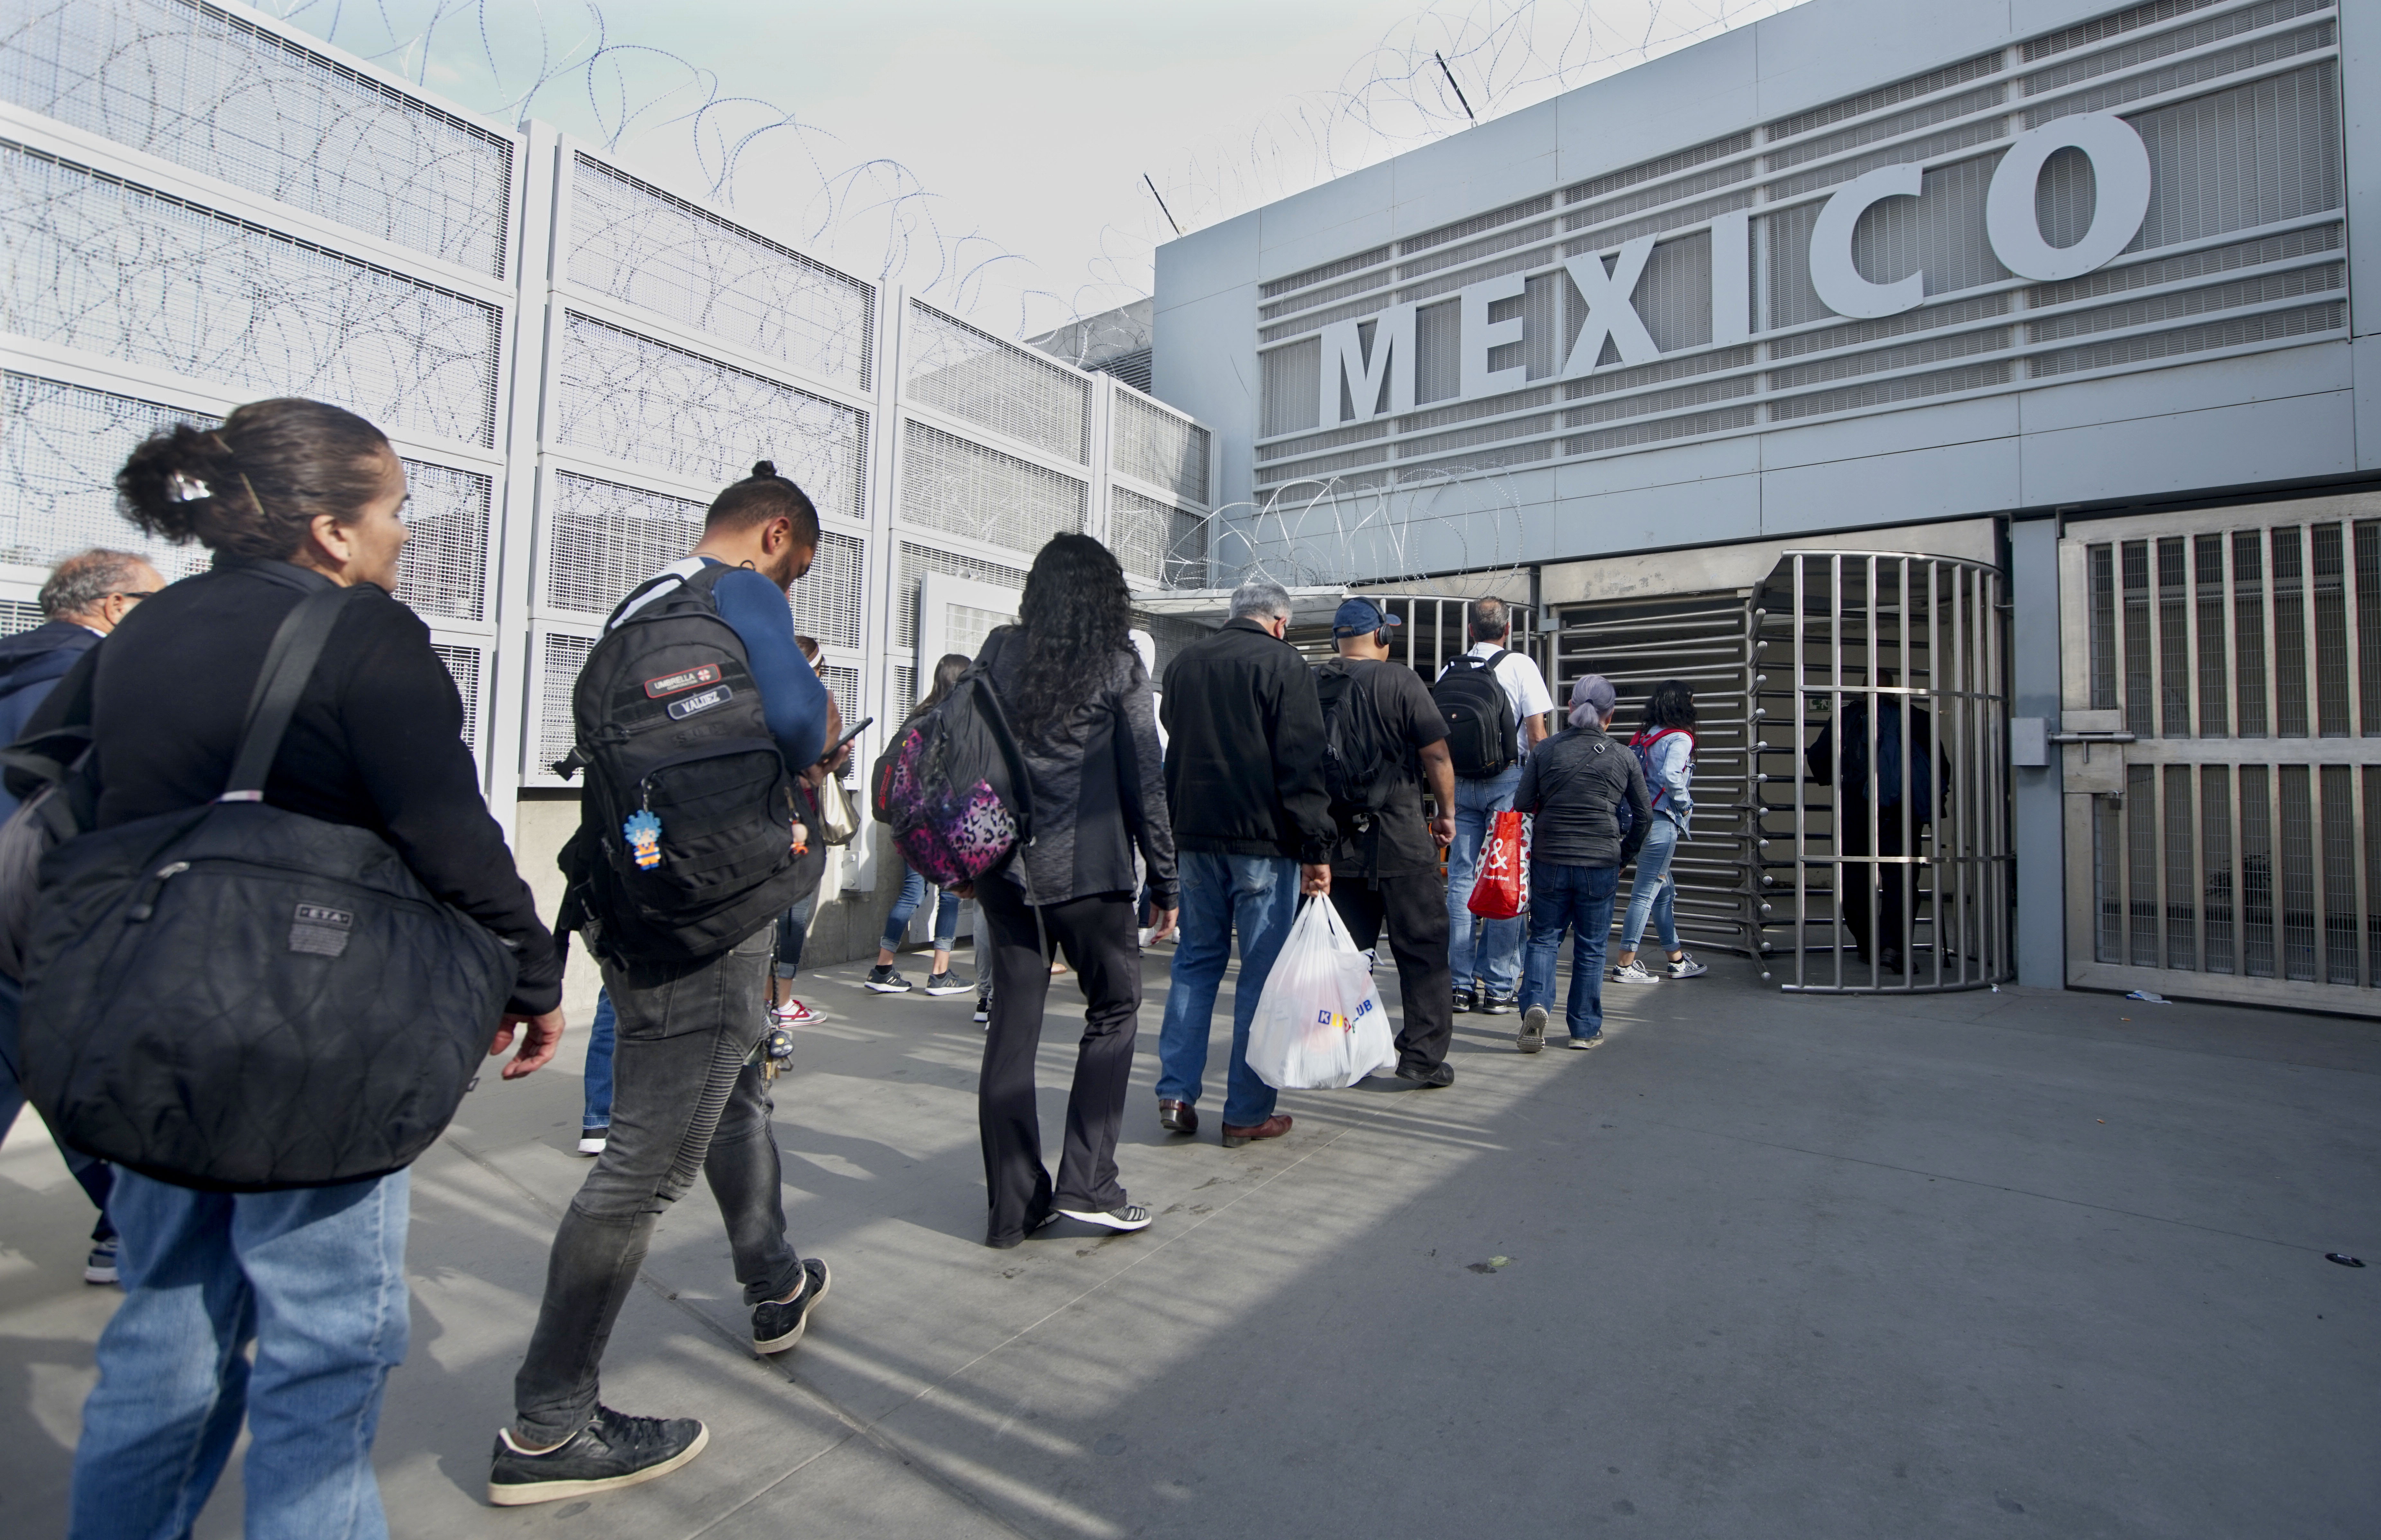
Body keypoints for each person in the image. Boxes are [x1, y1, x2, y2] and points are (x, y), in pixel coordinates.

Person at [66, 399, 565, 1540]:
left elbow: (77, 797)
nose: (402, 534)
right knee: (324, 1344)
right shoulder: (363, 633)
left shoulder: (144, 629)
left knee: (164, 1327)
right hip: (311, 1029)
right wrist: (531, 972)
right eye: (393, 510)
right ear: (332, 531)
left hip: (149, 1014)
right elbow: (448, 830)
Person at [497, 463, 835, 1506]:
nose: (790, 590)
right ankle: (549, 1422)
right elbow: (799, 724)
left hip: (633, 892)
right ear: (774, 535)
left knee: (730, 1087)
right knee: (644, 1163)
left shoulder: (641, 605)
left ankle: (771, 1279)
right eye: (800, 569)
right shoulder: (739, 592)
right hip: (714, 908)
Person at [969, 535, 1176, 1246]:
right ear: (1106, 594)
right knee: (1114, 1010)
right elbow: (1143, 777)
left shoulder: (999, 649)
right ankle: (1088, 1182)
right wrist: (1165, 875)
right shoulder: (1120, 665)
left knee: (1012, 1028)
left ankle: (1011, 1207)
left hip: (1005, 867)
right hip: (1090, 873)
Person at [0, 548, 165, 1285]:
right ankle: (133, 1235)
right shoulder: (85, 682)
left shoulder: (15, 667)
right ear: (117, 607)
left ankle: (125, 1230)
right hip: (50, 918)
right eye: (158, 601)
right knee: (93, 1080)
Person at [1154, 578, 1333, 1147]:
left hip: (1196, 838)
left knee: (1194, 963)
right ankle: (1246, 1111)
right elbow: (1301, 760)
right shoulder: (1284, 664)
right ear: (1279, 622)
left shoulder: (1185, 664)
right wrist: (1316, 847)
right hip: (1262, 842)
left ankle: (1176, 1092)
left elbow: (1172, 732)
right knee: (1259, 975)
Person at [1315, 598, 1459, 1088]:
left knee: (1343, 957)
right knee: (1423, 949)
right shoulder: (1401, 681)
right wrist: (1446, 814)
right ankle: (1421, 1056)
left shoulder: (1313, 685)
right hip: (1399, 840)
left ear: (1338, 639)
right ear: (1381, 637)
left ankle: (1340, 1051)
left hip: (1333, 847)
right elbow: (1436, 754)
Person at [1514, 675, 1649, 1054]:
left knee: (1543, 937)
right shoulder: (1624, 756)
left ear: (1570, 708)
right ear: (1611, 715)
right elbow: (1645, 816)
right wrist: (1626, 855)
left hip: (1550, 858)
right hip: (1600, 862)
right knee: (1590, 947)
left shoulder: (1546, 750)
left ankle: (1535, 1005)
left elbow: (1522, 802)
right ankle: (1585, 1030)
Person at [1436, 596, 1554, 1016]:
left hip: (1461, 783)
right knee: (1505, 876)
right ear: (1506, 630)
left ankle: (1460, 986)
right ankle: (1500, 987)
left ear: (1471, 631)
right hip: (1509, 783)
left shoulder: (1451, 669)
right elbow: (1539, 736)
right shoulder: (1521, 665)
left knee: (1462, 882)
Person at [1805, 673, 1944, 975]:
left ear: (1864, 690)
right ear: (1894, 691)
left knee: (1854, 878)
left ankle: (1869, 945)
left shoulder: (1848, 717)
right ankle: (1893, 947)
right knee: (1902, 879)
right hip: (1902, 813)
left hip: (1855, 810)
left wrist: (1842, 778)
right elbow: (1940, 766)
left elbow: (1819, 756)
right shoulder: (1916, 718)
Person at [867, 653, 974, 997]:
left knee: (912, 893)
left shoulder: (915, 719)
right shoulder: (952, 721)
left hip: (907, 822)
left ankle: (883, 968)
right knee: (952, 895)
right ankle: (940, 974)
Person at [1611, 679, 1710, 984]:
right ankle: (1625, 965)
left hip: (1638, 825)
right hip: (1662, 823)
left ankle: (1676, 959)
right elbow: (1672, 776)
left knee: (1664, 892)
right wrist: (1686, 805)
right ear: (1684, 704)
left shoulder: (1643, 737)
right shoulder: (1681, 738)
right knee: (1645, 894)